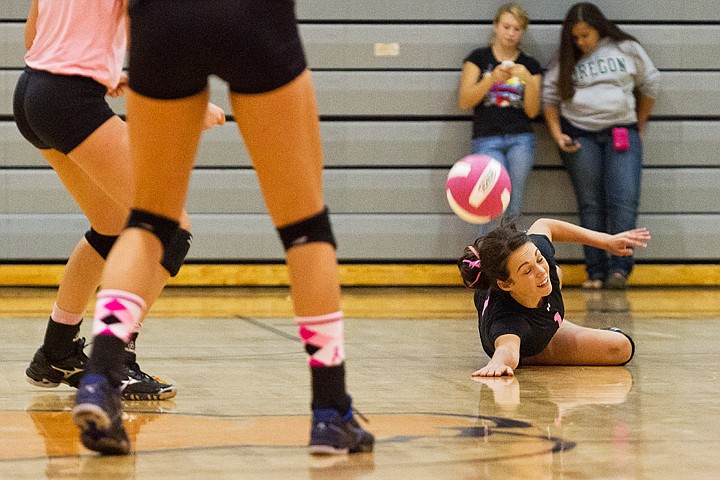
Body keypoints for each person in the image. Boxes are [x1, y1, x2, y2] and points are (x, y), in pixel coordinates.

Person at [71, 0, 374, 456]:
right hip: (253, 14)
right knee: (306, 229)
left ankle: (98, 379)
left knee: (149, 221)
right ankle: (331, 411)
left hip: (163, 18)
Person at [14, 0, 225, 401]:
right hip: (69, 99)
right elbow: (149, 32)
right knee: (169, 227)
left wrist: (99, 72)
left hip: (32, 91)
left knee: (111, 227)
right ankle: (114, 363)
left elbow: (35, 28)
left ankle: (57, 351)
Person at [542, 2, 660, 289]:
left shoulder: (626, 48)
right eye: (575, 37)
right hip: (580, 136)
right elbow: (549, 96)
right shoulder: (566, 58)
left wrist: (639, 126)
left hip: (622, 132)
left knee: (623, 200)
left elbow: (651, 84)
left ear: (599, 28)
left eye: (586, 35)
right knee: (591, 204)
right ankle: (594, 272)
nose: (581, 41)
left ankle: (619, 270)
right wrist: (557, 134)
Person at [457, 217, 649, 377]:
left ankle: (554, 320)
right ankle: (545, 343)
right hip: (528, 343)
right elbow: (507, 349)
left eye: (539, 259)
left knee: (554, 271)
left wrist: (606, 241)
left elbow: (545, 224)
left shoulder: (538, 260)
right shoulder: (508, 322)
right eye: (527, 271)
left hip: (537, 310)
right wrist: (497, 365)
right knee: (620, 347)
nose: (541, 271)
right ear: (506, 284)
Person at [458, 3, 543, 219]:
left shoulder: (529, 64)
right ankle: (483, 253)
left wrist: (529, 82)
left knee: (514, 205)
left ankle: (512, 253)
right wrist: (491, 79)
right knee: (487, 201)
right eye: (506, 27)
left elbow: (533, 112)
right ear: (496, 26)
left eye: (517, 29)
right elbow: (465, 101)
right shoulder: (478, 59)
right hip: (486, 138)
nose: (511, 33)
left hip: (520, 138)